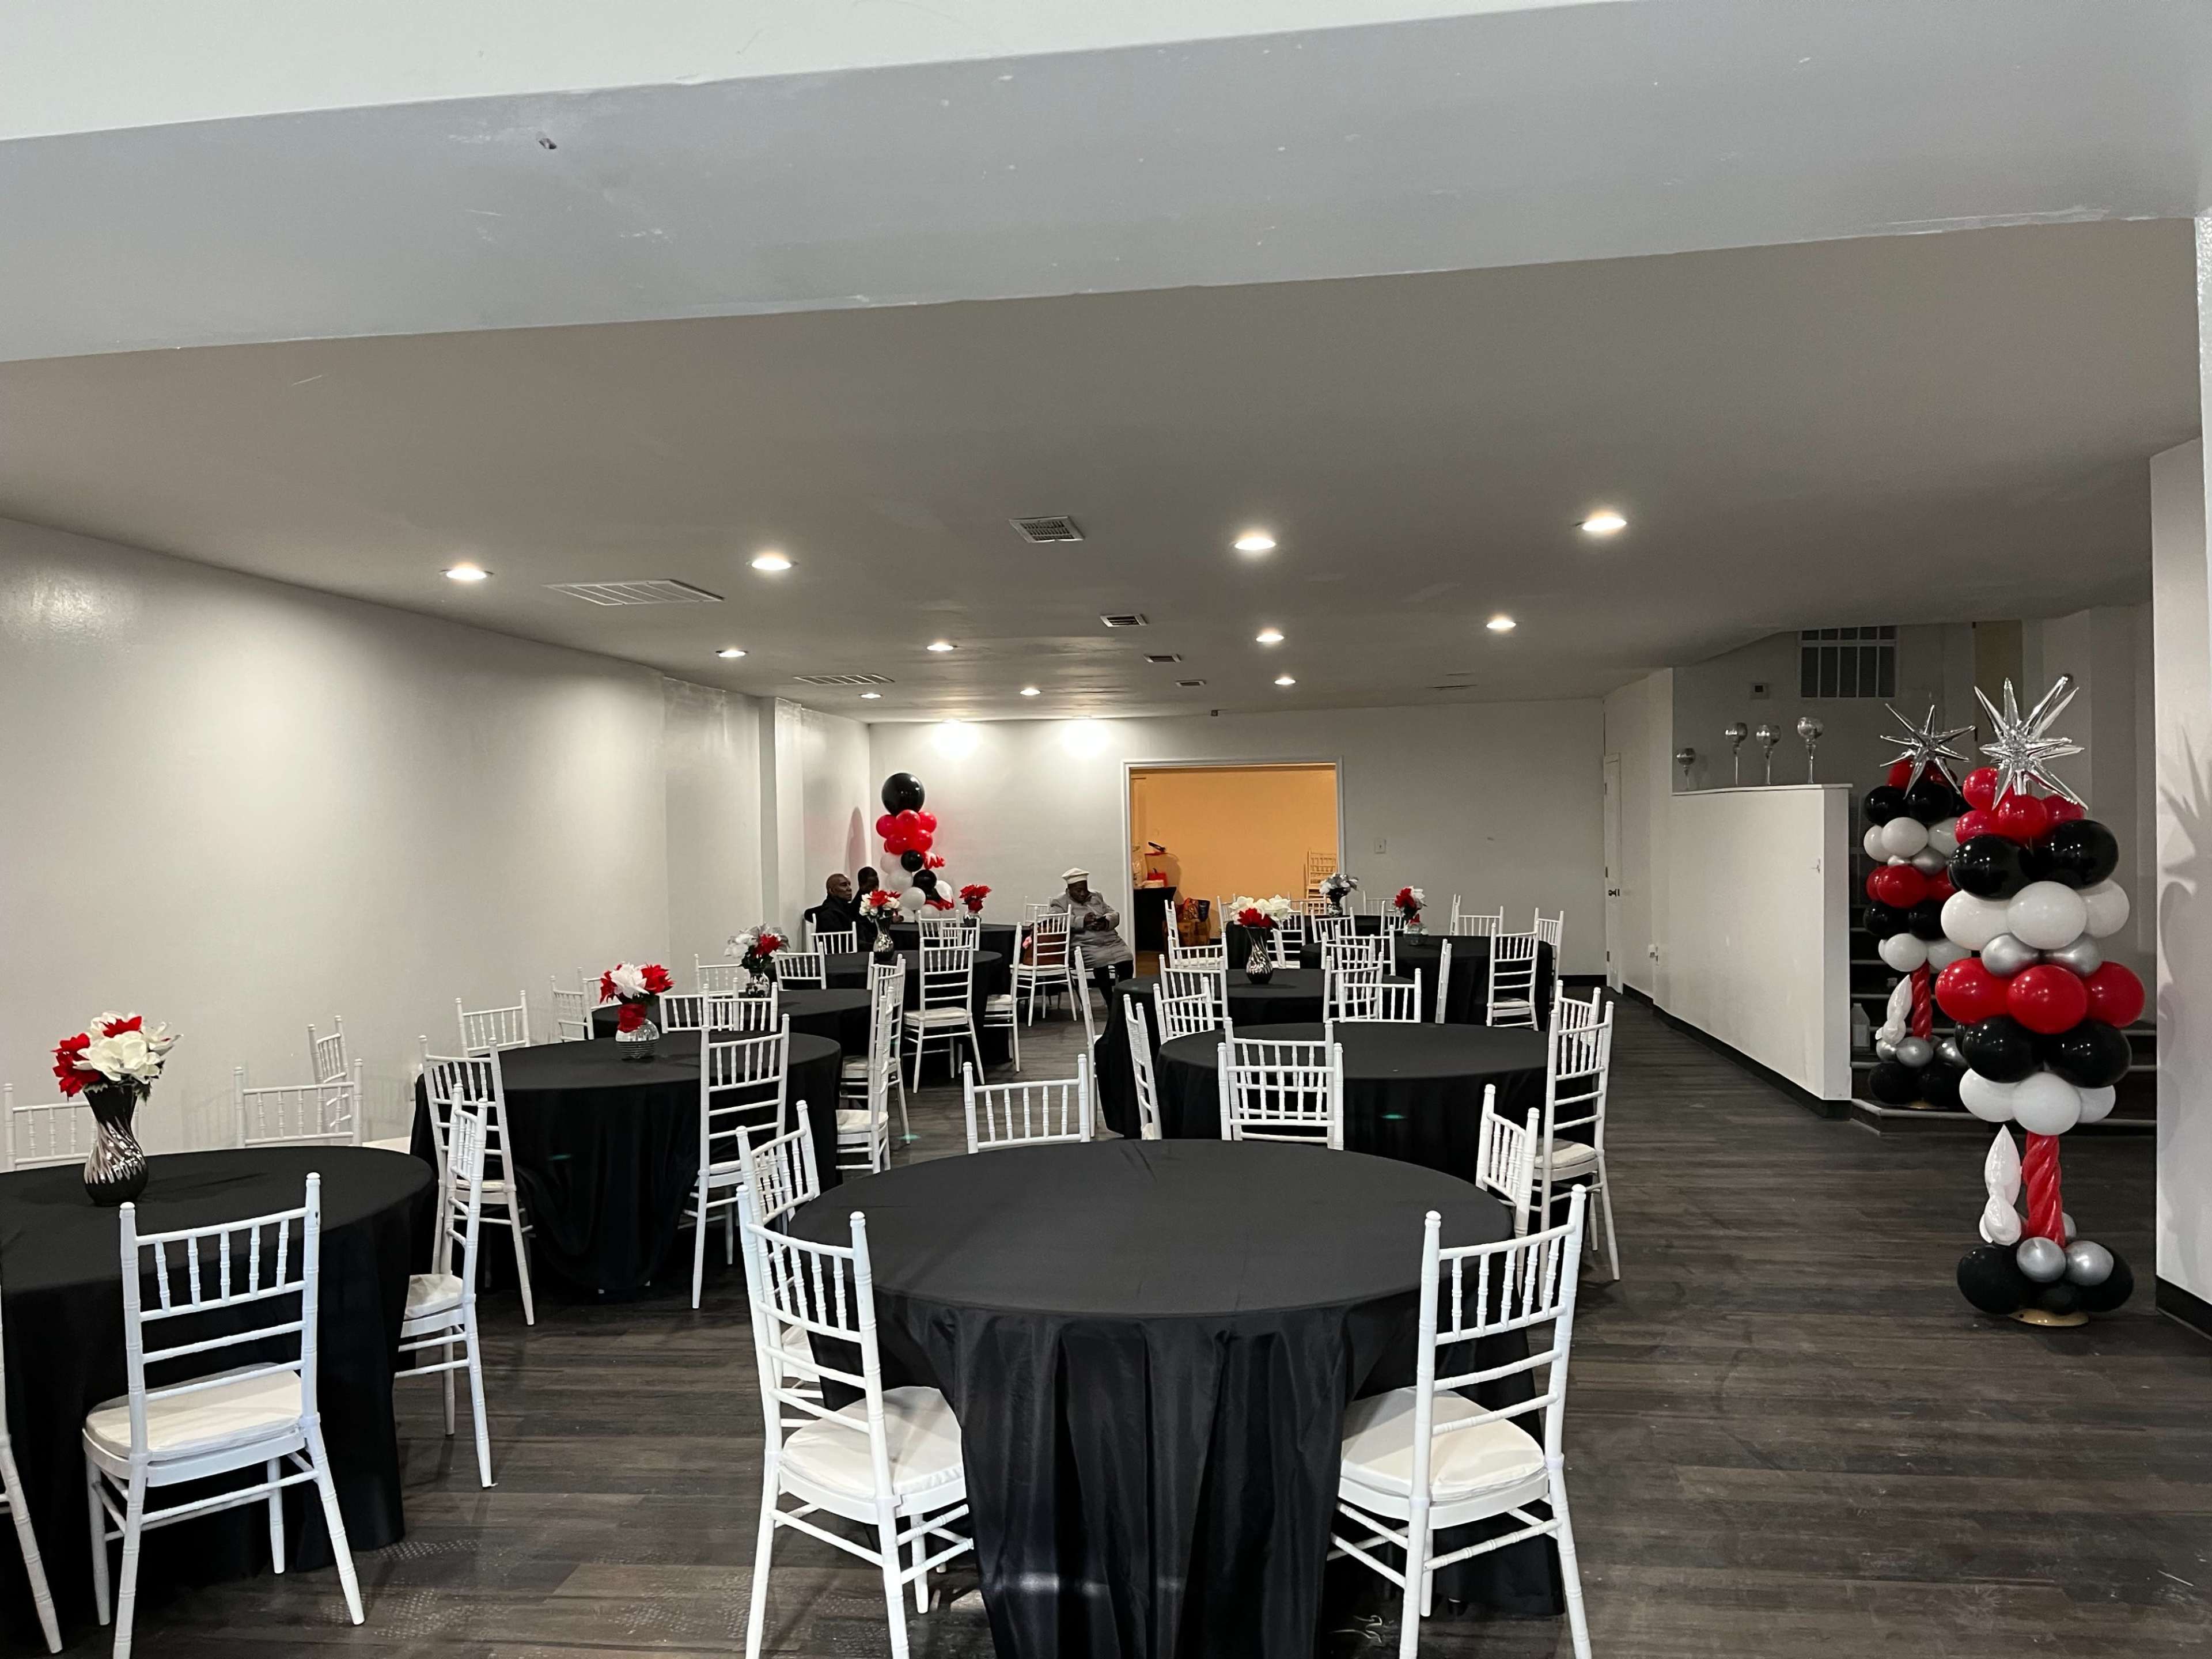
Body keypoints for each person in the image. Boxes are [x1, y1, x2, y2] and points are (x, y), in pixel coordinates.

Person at [1050, 867, 1132, 999]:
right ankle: (1111, 1001)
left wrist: (1105, 921)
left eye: (1085, 889)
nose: (1083, 894)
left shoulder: (1096, 896)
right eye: (1078, 891)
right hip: (1084, 944)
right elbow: (1056, 922)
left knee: (1127, 959)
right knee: (1101, 962)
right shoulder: (1060, 902)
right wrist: (1082, 921)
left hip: (1110, 940)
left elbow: (1113, 913)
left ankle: (1122, 999)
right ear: (1069, 889)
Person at [802, 872, 874, 949]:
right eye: (844, 885)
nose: (849, 889)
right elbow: (841, 943)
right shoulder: (828, 913)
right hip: (839, 954)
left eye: (849, 885)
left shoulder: (845, 908)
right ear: (832, 891)